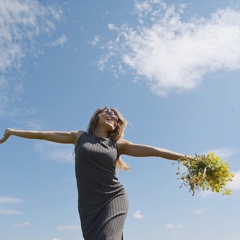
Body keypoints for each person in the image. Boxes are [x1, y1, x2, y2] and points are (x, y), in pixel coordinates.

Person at [0, 107, 187, 240]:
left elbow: (155, 151)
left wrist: (188, 159)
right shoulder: (79, 137)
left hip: (113, 197)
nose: (112, 117)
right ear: (97, 115)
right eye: (109, 112)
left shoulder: (118, 145)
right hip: (88, 205)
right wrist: (13, 131)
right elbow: (42, 134)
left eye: (116, 118)